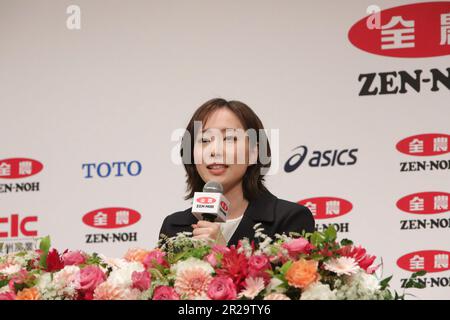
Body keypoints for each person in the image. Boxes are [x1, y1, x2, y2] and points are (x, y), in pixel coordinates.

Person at [158, 98, 314, 246]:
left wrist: (222, 251)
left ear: (254, 152)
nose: (215, 151)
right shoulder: (173, 227)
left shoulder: (290, 219)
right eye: (205, 140)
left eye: (230, 138)